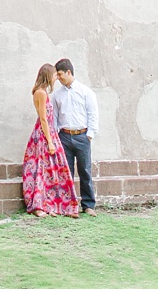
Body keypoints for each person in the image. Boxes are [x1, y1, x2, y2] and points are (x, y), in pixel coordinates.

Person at [22, 62, 79, 217]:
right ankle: (40, 205)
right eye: (55, 75)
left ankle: (52, 205)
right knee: (42, 170)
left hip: (48, 133)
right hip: (43, 134)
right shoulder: (41, 93)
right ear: (48, 76)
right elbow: (43, 119)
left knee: (52, 170)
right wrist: (50, 141)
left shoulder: (43, 92)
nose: (56, 79)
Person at [52, 58, 100, 214]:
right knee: (66, 172)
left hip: (82, 135)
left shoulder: (85, 91)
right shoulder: (57, 95)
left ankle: (88, 205)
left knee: (85, 170)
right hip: (64, 136)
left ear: (68, 72)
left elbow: (93, 113)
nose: (58, 78)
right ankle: (68, 205)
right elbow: (54, 117)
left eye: (60, 74)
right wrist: (55, 136)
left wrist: (90, 134)